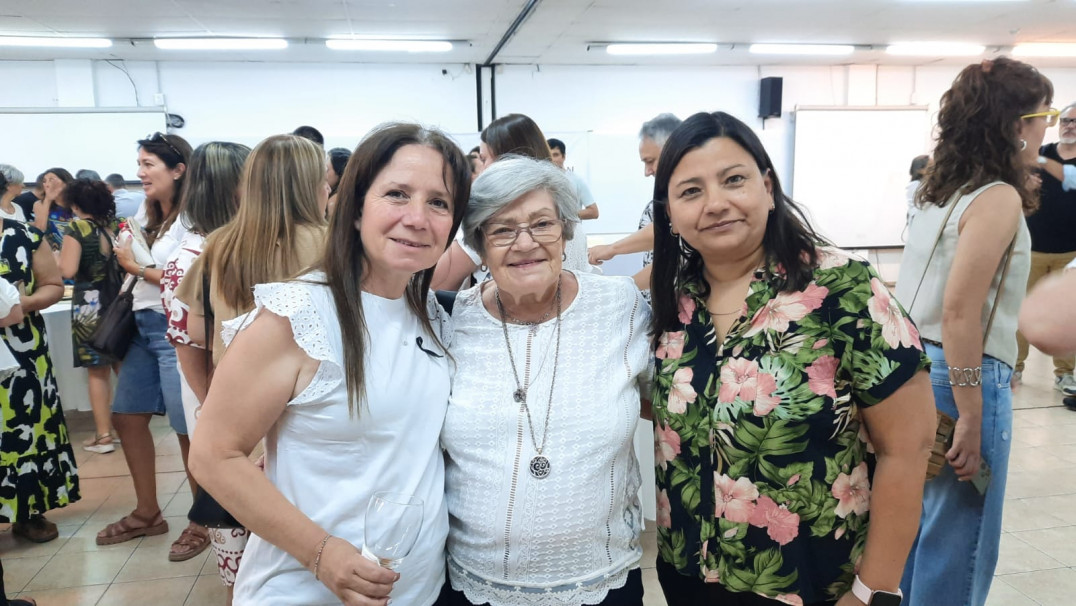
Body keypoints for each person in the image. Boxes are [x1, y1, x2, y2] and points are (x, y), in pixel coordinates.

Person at [649, 111, 934, 606]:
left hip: (812, 584)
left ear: (767, 186)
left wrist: (873, 590)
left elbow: (908, 447)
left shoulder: (841, 287)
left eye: (733, 180)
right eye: (691, 191)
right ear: (669, 213)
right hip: (687, 575)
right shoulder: (677, 302)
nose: (715, 203)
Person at [188, 122, 469, 606]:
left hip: (415, 589)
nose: (417, 218)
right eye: (397, 194)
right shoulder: (298, 315)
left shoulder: (428, 315)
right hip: (304, 590)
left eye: (439, 202)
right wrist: (320, 553)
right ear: (355, 208)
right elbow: (213, 455)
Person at [437, 156, 651, 606]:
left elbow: (668, 401)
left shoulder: (621, 307)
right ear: (478, 245)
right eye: (502, 230)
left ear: (566, 231)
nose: (525, 243)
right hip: (473, 583)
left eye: (542, 224)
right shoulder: (451, 321)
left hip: (600, 579)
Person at [896, 57, 1054, 606]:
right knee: (961, 539)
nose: (1047, 129)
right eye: (1045, 115)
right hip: (964, 373)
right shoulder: (997, 197)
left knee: (921, 526)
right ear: (1016, 125)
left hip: (918, 367)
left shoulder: (941, 189)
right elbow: (961, 312)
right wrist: (970, 412)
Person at [173, 136, 323, 599]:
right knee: (308, 554)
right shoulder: (331, 244)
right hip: (307, 421)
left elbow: (194, 330)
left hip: (235, 417)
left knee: (242, 564)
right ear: (313, 185)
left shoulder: (218, 245)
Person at [94, 132, 206, 564]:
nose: (140, 173)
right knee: (126, 416)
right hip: (140, 322)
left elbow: (190, 278)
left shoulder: (193, 218)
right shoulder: (147, 211)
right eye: (139, 164)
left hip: (172, 326)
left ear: (178, 170)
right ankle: (147, 512)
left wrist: (137, 267)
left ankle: (203, 519)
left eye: (148, 165)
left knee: (187, 427)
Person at [432, 113, 593, 290]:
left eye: (485, 159)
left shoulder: (490, 222)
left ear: (507, 160)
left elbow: (436, 283)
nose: (525, 244)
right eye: (504, 230)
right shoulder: (570, 221)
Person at [0, 217, 79, 543]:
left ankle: (28, 512)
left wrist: (24, 303)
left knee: (28, 429)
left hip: (23, 353)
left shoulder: (25, 236)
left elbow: (54, 285)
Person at [1015, 103, 1076, 392]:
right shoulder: (1044, 151)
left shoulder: (1040, 157)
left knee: (1069, 315)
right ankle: (1014, 368)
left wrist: (1037, 160)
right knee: (1021, 311)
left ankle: (1065, 373)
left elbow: (1068, 176)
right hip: (1033, 248)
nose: (1068, 126)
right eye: (1064, 120)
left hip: (1071, 254)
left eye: (1074, 121)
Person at [58, 178, 122, 454]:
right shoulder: (114, 226)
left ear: (74, 204)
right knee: (121, 364)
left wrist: (56, 260)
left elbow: (68, 270)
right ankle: (128, 427)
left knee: (97, 371)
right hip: (118, 301)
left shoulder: (76, 229)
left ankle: (104, 434)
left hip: (88, 305)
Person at [587, 113, 681, 291]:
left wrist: (612, 249)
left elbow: (664, 235)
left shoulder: (695, 200)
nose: (647, 172)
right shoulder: (659, 203)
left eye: (650, 161)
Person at [32, 167, 74, 252]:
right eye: (44, 181)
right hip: (52, 253)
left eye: (51, 180)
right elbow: (39, 230)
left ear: (66, 182)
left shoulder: (77, 203)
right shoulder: (39, 204)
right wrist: (48, 200)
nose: (47, 184)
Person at [905, 154, 930, 226]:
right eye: (930, 167)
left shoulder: (923, 184)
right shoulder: (915, 186)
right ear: (920, 170)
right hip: (919, 221)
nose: (935, 169)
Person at [326, 146, 351, 215]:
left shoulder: (335, 202)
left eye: (327, 169)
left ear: (340, 173)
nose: (323, 174)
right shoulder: (349, 195)